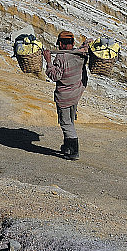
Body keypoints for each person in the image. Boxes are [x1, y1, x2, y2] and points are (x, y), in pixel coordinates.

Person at [42, 30, 89, 160]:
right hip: (76, 93)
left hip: (65, 97)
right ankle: (67, 146)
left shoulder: (61, 58)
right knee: (70, 119)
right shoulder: (80, 54)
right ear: (73, 43)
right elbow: (87, 45)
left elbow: (55, 76)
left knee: (66, 123)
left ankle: (74, 151)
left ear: (61, 44)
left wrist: (48, 61)